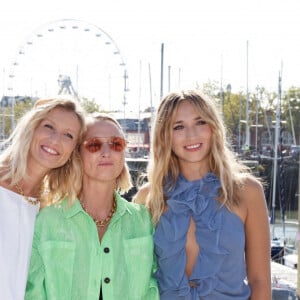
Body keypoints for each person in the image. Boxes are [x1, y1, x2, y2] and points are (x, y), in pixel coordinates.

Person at [133, 90, 271, 299]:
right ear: (165, 136)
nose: (191, 135)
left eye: (200, 123)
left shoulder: (247, 192)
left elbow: (260, 282)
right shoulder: (149, 197)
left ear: (213, 127)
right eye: (178, 127)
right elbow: (134, 276)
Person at [25, 113, 159, 300]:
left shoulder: (144, 221)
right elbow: (33, 294)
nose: (106, 152)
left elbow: (154, 290)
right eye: (94, 145)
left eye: (116, 144)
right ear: (77, 155)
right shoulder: (45, 222)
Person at [0, 96, 86, 300]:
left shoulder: (49, 208)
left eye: (68, 135)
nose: (55, 140)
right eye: (49, 127)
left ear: (73, 150)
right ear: (32, 127)